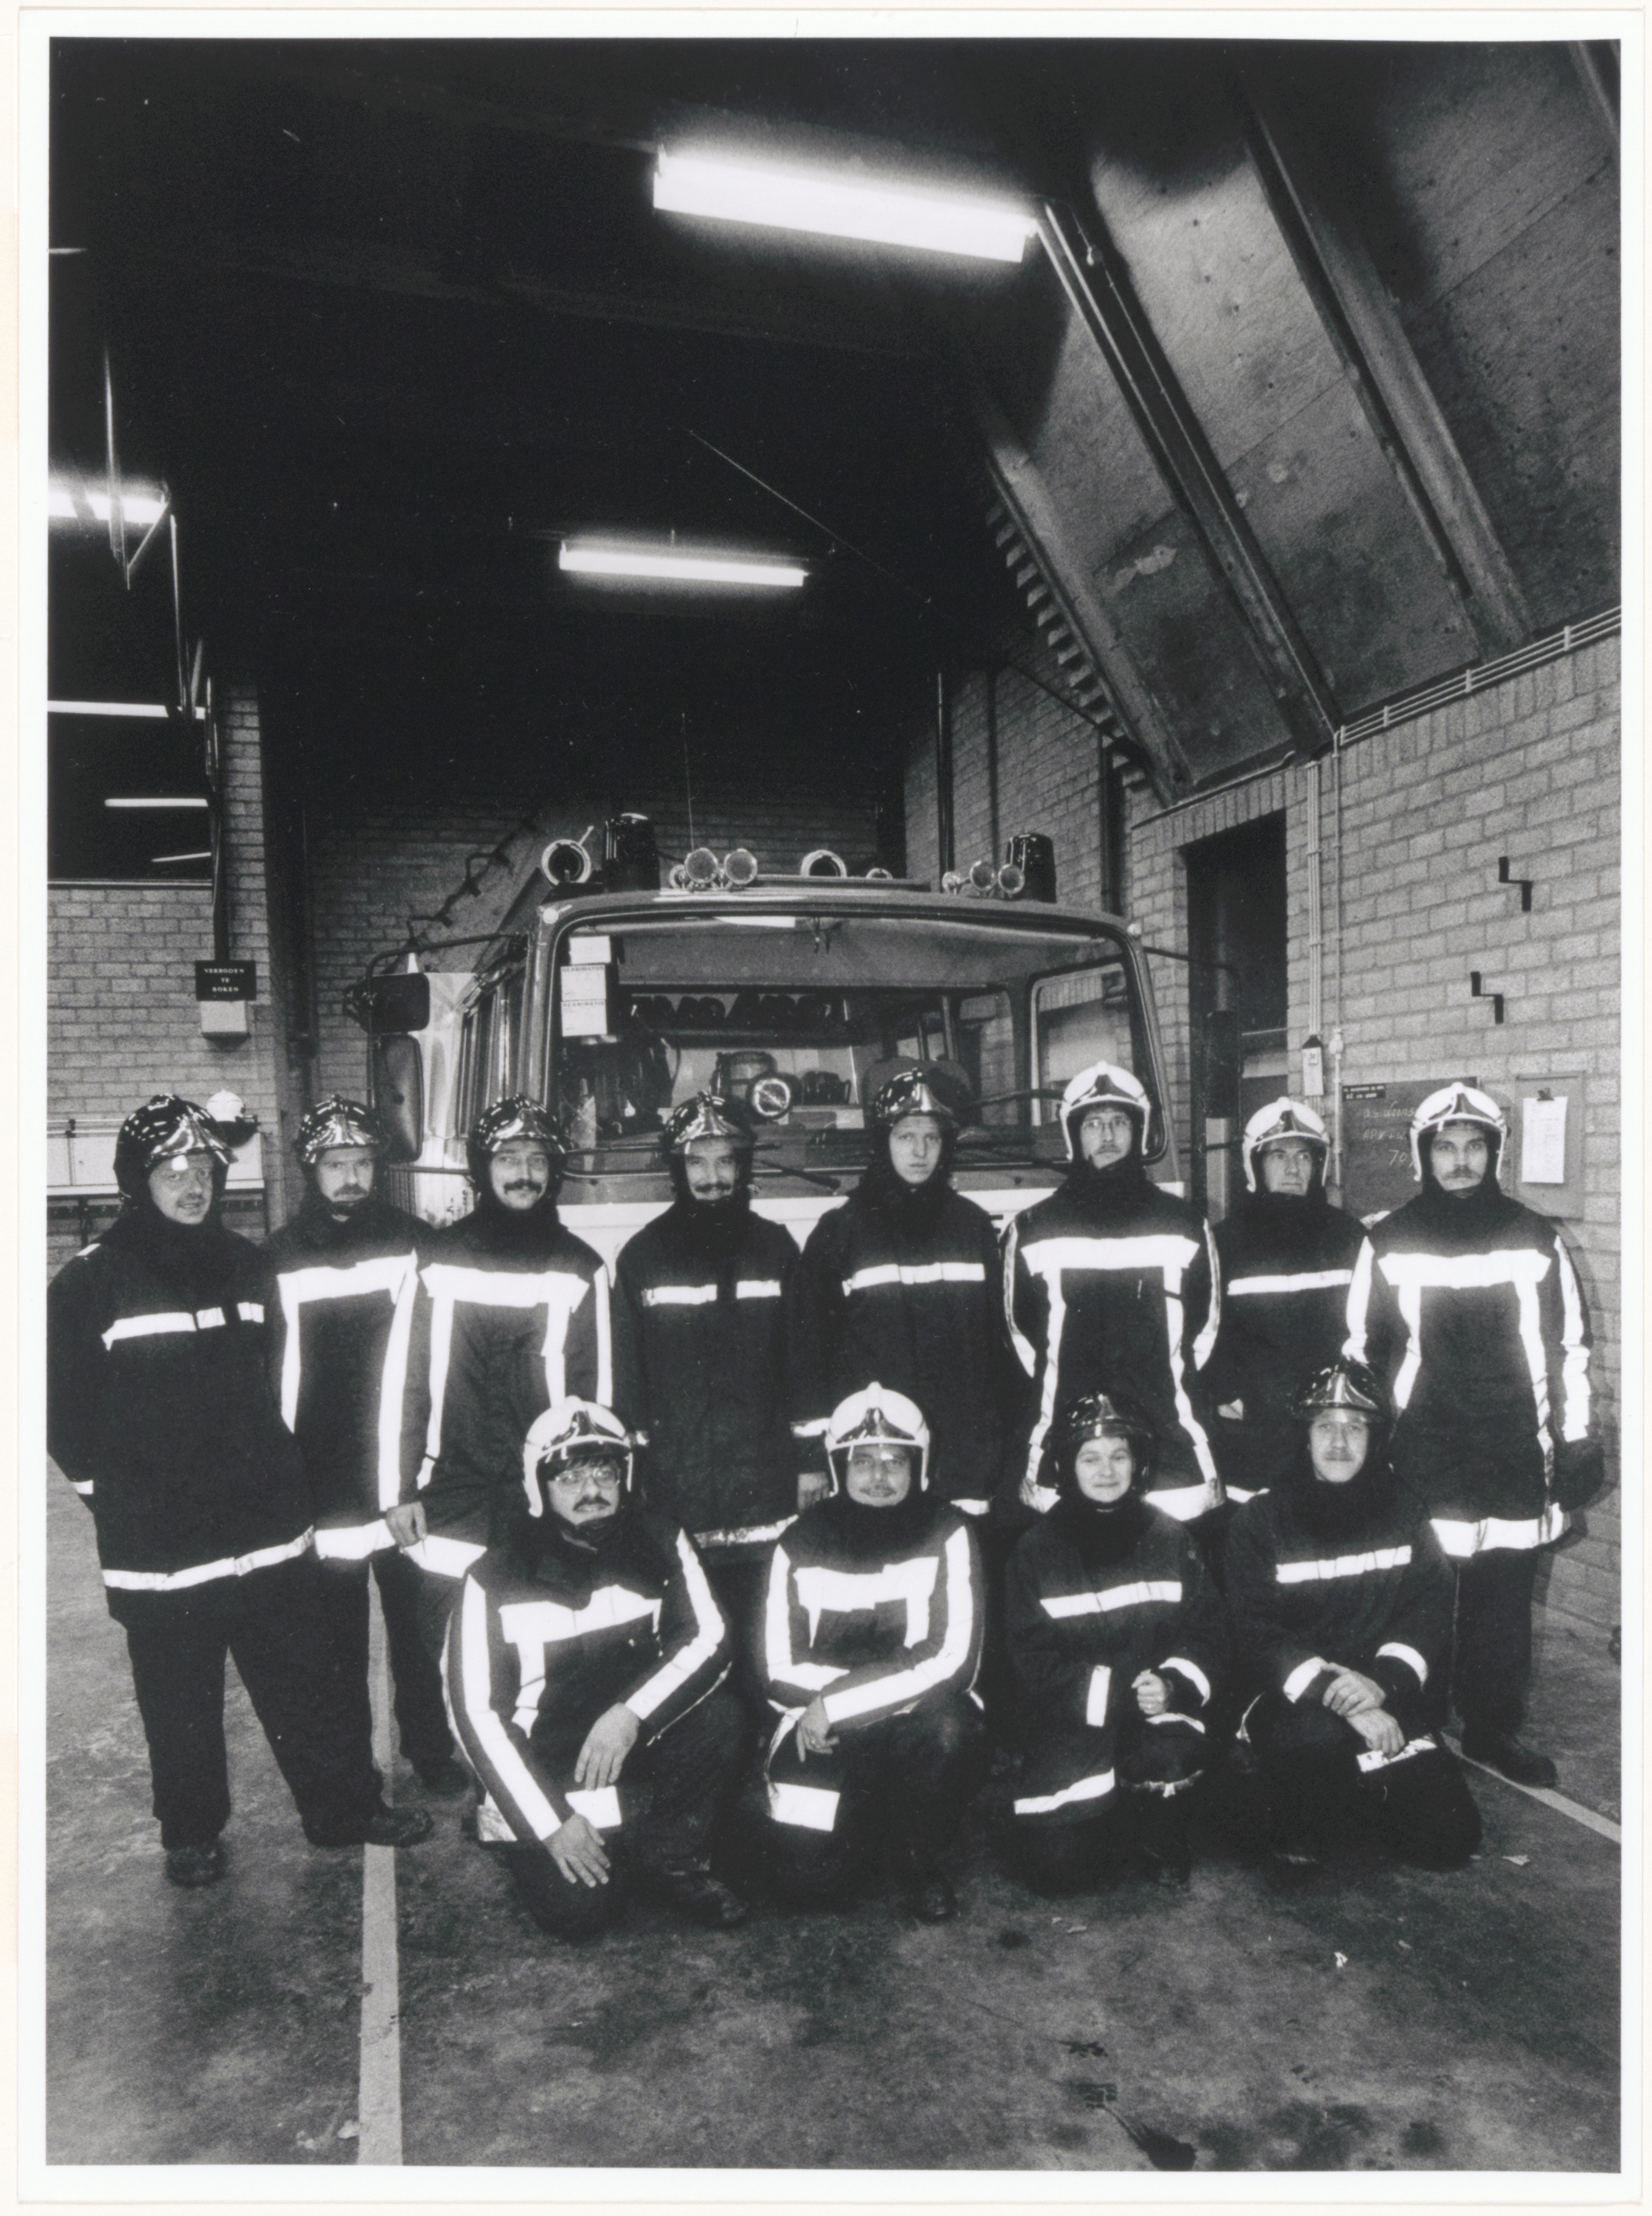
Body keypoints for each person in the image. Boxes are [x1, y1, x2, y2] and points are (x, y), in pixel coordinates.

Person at [46, 1094, 432, 1888]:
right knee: (178, 1698)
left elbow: (280, 1380)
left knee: (305, 1682)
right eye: (172, 1172)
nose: (192, 1186)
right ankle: (191, 1834)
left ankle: (341, 1809)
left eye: (203, 1170)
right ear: (137, 1181)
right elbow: (61, 1414)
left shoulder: (248, 1265)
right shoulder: (90, 1280)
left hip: (264, 1532)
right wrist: (111, 1497)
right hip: (162, 1548)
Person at [1344, 1082, 1599, 1788]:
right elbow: (1360, 1353)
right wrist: (1363, 1448)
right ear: (1423, 1155)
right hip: (1421, 1455)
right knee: (1418, 1599)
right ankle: (1415, 1724)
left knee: (1503, 1604)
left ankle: (1491, 1730)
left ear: (1495, 1152)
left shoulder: (1536, 1239)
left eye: (1474, 1146)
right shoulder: (1387, 1240)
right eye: (1446, 1147)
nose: (1460, 1160)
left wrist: (1577, 1439)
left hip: (1514, 1451)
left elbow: (1569, 1351)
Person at [444, 1398, 748, 1938]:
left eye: (605, 1472)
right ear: (538, 1487)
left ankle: (672, 1858)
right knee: (581, 1915)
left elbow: (711, 1637)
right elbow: (476, 1716)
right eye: (570, 1477)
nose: (592, 1490)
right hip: (547, 1768)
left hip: (629, 1744)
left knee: (721, 1718)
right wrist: (552, 1825)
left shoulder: (661, 1539)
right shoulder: (491, 1577)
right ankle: (571, 1844)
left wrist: (631, 1713)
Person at [260, 1096, 464, 1795]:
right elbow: (270, 1374)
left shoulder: (414, 1242)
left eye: (363, 1163)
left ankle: (430, 1749)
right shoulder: (278, 1256)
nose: (351, 1177)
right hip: (322, 1483)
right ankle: (353, 1771)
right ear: (310, 1169)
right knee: (336, 1644)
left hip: (403, 1475)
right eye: (336, 1164)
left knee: (418, 1632)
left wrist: (416, 1469)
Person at [1223, 1359, 1482, 1871]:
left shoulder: (1404, 1509)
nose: (1339, 1443)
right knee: (1313, 1769)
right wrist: (1339, 1696)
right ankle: (1275, 1789)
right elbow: (1253, 1631)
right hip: (1292, 1702)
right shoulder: (1260, 1518)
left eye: (1355, 1428)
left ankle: (1349, 1787)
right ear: (1304, 1436)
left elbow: (1428, 1606)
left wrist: (1382, 1683)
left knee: (1448, 1839)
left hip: (1378, 1691)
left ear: (1375, 1437)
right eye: (1325, 1426)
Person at [390, 1096, 611, 1658]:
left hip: (545, 1503)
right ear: (482, 1167)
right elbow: (404, 1384)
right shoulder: (436, 1260)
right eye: (508, 1158)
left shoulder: (581, 1267)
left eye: (537, 1160)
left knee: (539, 1653)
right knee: (438, 1655)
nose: (524, 1174)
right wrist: (398, 1490)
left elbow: (600, 1398)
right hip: (448, 1498)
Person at [611, 1093, 819, 1686]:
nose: (712, 1177)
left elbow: (803, 1364)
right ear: (677, 1169)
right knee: (692, 1629)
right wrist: (637, 1477)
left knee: (767, 1628)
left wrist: (810, 1462)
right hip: (679, 1487)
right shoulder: (642, 1257)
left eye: (725, 1160)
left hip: (767, 1487)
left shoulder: (777, 1249)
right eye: (697, 1162)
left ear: (743, 1166)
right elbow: (629, 1380)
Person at [761, 1384, 988, 1922]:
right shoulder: (799, 1541)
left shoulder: (949, 1530)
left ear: (918, 1464)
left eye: (895, 1461)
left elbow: (952, 1660)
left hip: (910, 1718)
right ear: (839, 1465)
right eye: (863, 1461)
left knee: (952, 1727)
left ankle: (915, 1854)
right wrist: (834, 1711)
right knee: (809, 1884)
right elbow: (776, 1667)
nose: (879, 1476)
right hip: (820, 1723)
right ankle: (863, 1830)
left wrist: (839, 1701)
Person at [1003, 1392, 1227, 1891]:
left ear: (1138, 1463)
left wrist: (1172, 1685)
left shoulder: (1172, 1538)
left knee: (1171, 1760)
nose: (1107, 1471)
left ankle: (1155, 1831)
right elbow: (1028, 1660)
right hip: (1072, 1724)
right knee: (1060, 1872)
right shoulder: (1034, 1550)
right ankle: (1108, 1820)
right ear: (1067, 1466)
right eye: (1090, 1458)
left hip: (1156, 1716)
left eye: (1119, 1455)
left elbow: (1208, 1632)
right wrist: (1120, 1691)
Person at [793, 1061, 1022, 1524]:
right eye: (905, 1136)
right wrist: (812, 1459)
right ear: (883, 1142)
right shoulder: (840, 1232)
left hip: (965, 1463)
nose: (920, 1151)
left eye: (932, 1138)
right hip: (877, 1461)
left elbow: (1000, 1350)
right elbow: (809, 1353)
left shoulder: (973, 1226)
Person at [1004, 1062, 1221, 1525]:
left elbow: (1204, 1335)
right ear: (1074, 1135)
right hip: (1064, 1447)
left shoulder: (1184, 1224)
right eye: (1093, 1123)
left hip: (1170, 1451)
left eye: (1120, 1122)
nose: (1107, 1135)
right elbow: (1020, 1341)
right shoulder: (1031, 1228)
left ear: (1138, 1132)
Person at [1203, 1099, 1367, 1508]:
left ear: (1319, 1165)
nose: (1293, 1168)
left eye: (1304, 1156)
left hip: (1330, 1425)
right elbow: (1205, 1331)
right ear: (1255, 1165)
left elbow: (1370, 1327)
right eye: (1279, 1155)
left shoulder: (1350, 1238)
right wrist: (1229, 1393)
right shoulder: (1224, 1242)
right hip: (1255, 1432)